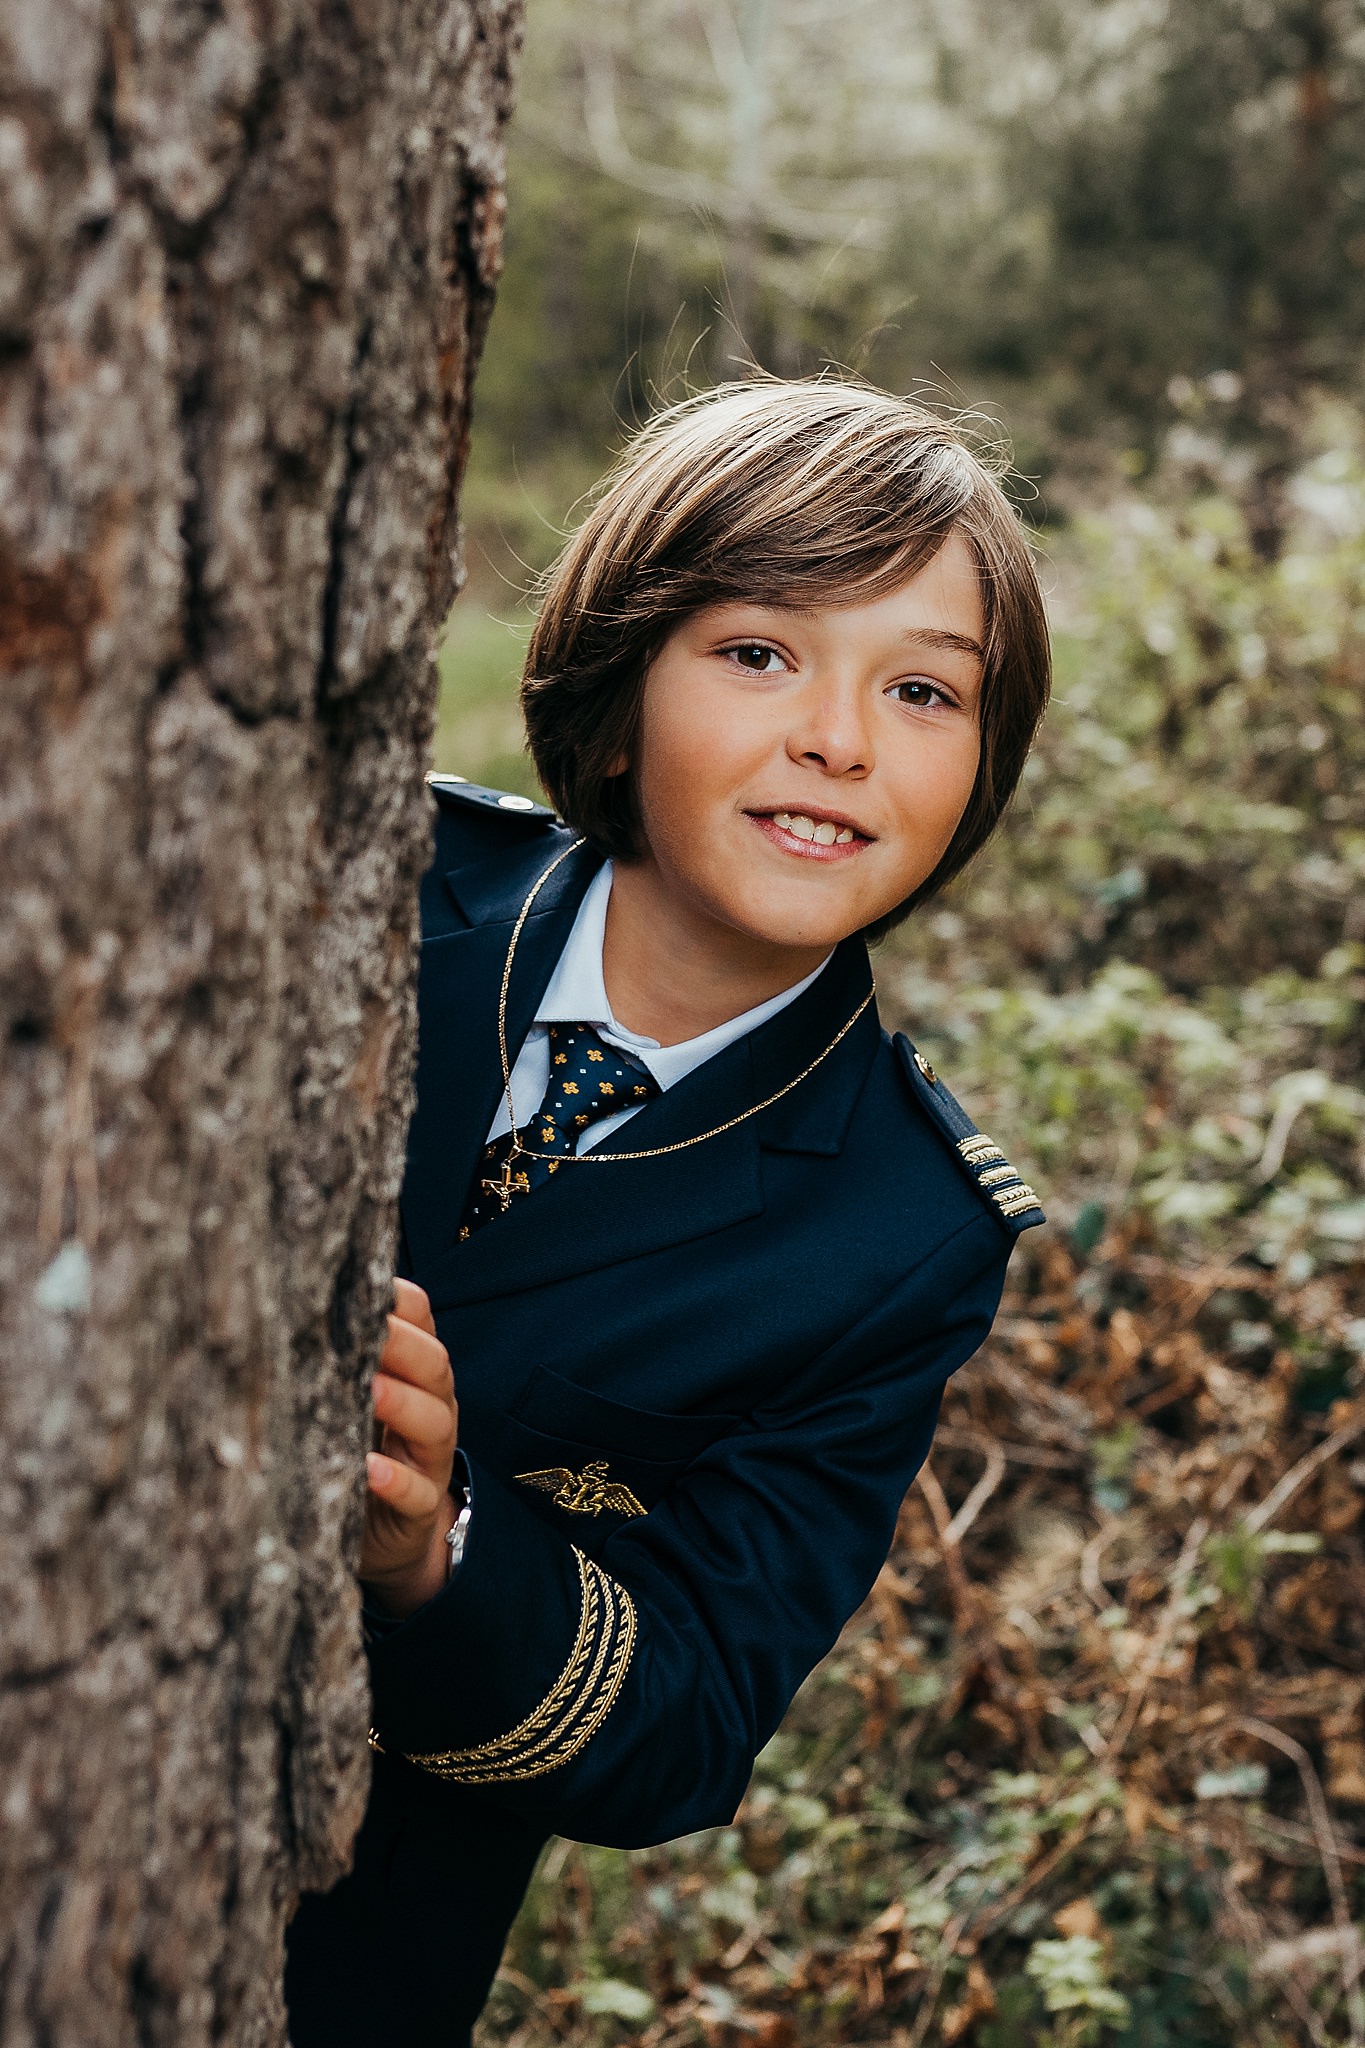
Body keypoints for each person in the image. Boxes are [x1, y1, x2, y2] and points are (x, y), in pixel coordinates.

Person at [285, 378, 1050, 2047]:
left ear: (978, 772)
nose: (837, 738)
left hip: (324, 1935)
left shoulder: (902, 1232)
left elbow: (690, 1722)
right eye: (760, 652)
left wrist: (441, 1559)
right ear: (616, 685)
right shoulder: (360, 866)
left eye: (922, 688)